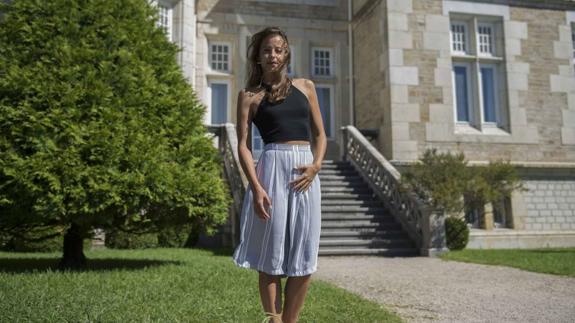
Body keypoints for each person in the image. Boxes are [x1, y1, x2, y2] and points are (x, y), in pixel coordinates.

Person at [232, 26, 327, 323]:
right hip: (271, 169)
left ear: (286, 53)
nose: (272, 54)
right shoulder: (248, 96)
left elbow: (321, 135)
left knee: (305, 254)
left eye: (278, 49)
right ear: (258, 57)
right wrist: (256, 187)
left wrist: (316, 166)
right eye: (266, 50)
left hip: (305, 172)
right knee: (270, 255)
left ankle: (290, 321)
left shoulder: (306, 86)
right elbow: (244, 146)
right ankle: (273, 320)